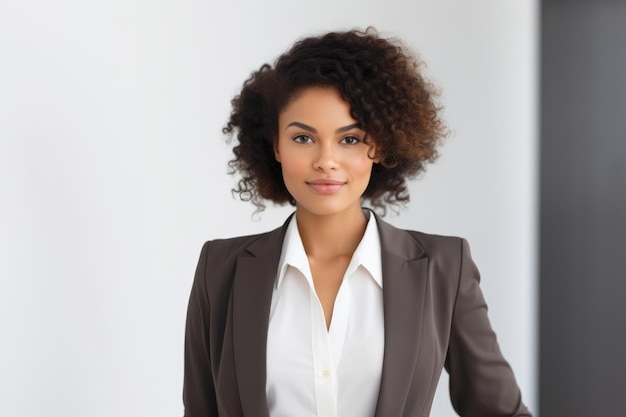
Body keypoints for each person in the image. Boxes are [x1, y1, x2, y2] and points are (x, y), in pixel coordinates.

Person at [183, 28, 532, 417]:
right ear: (276, 145)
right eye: (303, 138)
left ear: (379, 145)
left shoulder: (443, 267)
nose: (326, 161)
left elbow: (499, 410)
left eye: (349, 139)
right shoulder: (220, 269)